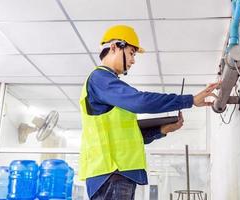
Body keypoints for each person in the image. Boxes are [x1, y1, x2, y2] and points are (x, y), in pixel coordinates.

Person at [78, 25, 219, 200]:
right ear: (114, 47)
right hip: (111, 172)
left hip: (115, 173)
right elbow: (140, 101)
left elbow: (128, 136)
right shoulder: (100, 78)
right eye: (131, 53)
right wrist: (189, 100)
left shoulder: (108, 88)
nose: (133, 60)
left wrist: (163, 130)